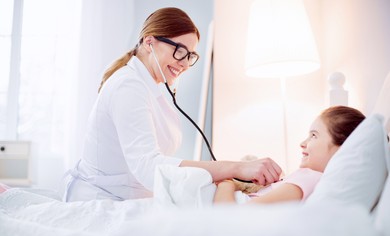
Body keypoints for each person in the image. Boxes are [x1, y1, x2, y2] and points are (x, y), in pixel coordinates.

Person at [61, 7, 282, 202]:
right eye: (180, 51)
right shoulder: (128, 86)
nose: (185, 64)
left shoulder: (147, 87)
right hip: (102, 202)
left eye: (191, 56)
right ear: (150, 42)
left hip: (131, 200)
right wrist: (236, 167)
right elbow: (149, 168)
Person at [213, 106, 366, 204]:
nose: (303, 143)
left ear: (342, 148)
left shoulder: (310, 178)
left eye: (314, 135)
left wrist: (226, 183)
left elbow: (229, 218)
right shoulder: (306, 179)